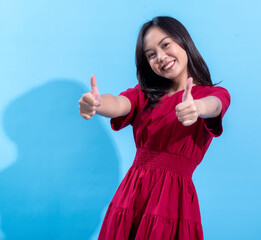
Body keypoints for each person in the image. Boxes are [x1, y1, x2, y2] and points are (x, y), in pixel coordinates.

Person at [78, 16, 230, 240]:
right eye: (151, 55)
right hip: (132, 195)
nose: (161, 57)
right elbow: (119, 103)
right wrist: (97, 104)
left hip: (174, 203)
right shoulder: (144, 94)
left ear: (183, 41)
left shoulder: (211, 95)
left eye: (166, 45)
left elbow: (215, 106)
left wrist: (197, 107)